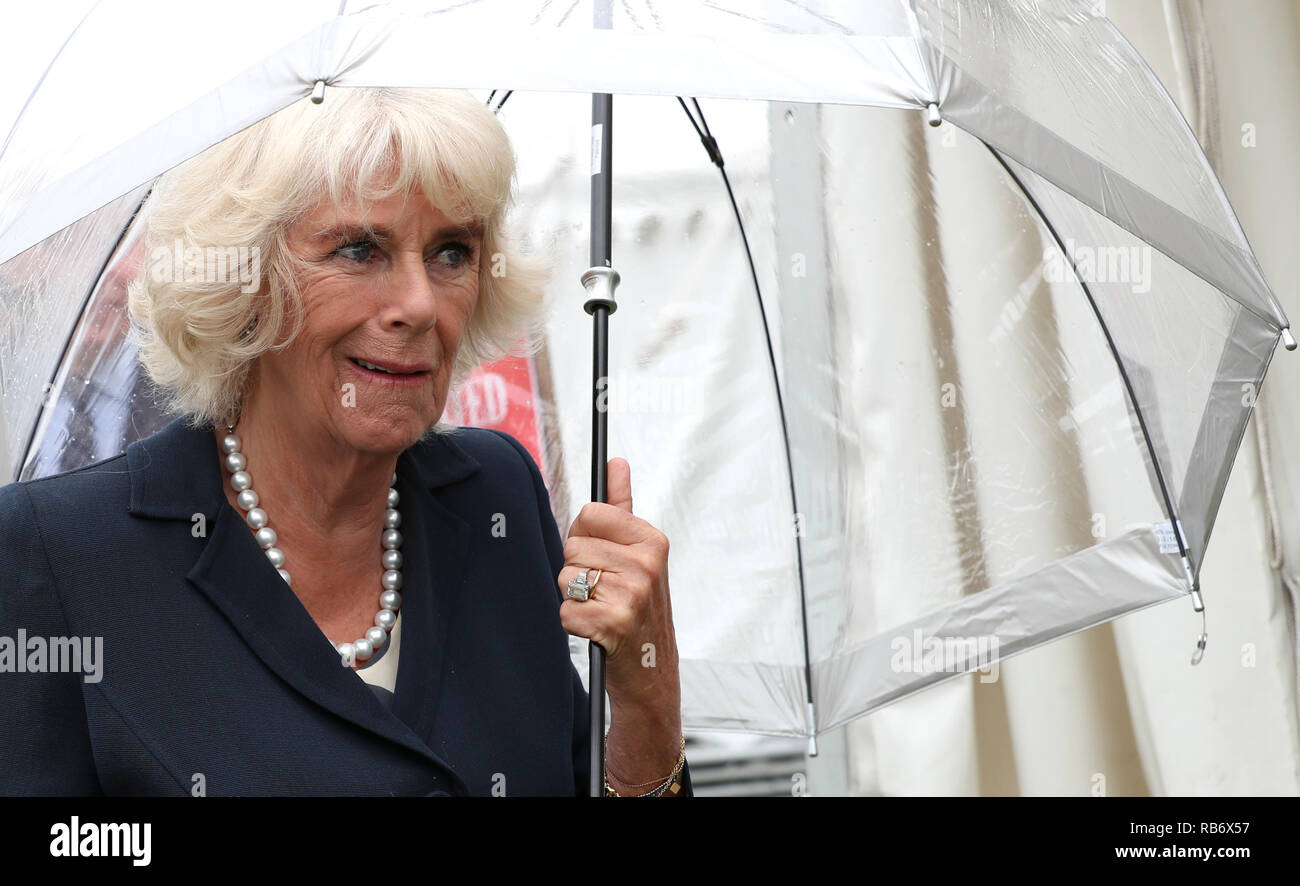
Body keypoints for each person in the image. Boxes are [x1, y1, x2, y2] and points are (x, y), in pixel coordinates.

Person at [0, 87, 689, 797]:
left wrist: (646, 705)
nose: (420, 303)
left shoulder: (497, 496)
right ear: (247, 281)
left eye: (452, 251)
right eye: (360, 249)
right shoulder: (56, 551)